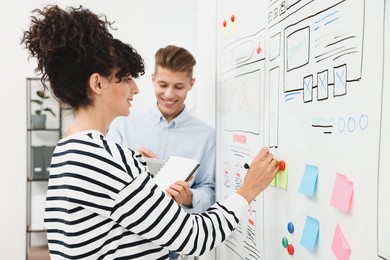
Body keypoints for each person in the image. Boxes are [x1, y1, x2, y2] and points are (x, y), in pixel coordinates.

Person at [21, 5, 280, 260]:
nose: (135, 88)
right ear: (98, 83)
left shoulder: (68, 149)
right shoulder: (102, 158)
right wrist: (248, 190)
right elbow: (194, 237)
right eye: (125, 78)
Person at [107, 45, 215, 260]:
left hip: (175, 241)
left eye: (178, 87)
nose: (169, 94)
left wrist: (189, 197)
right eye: (163, 85)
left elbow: (210, 190)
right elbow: (107, 182)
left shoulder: (206, 135)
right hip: (126, 239)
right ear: (153, 79)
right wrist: (135, 165)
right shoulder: (123, 122)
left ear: (191, 84)